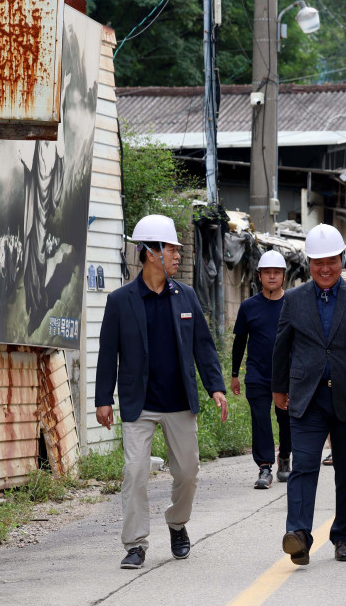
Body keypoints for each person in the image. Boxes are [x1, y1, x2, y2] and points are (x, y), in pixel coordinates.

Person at [95, 215, 228, 570]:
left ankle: (177, 523)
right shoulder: (121, 301)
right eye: (171, 249)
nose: (177, 256)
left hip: (179, 402)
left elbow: (203, 346)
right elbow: (108, 353)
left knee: (188, 472)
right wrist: (103, 399)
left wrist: (216, 387)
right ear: (151, 252)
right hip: (140, 404)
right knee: (135, 472)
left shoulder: (185, 295)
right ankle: (135, 544)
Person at [271, 225, 346, 565]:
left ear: (342, 259)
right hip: (307, 398)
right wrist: (278, 389)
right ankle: (299, 535)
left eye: (331, 261)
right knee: (303, 466)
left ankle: (343, 537)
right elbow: (282, 347)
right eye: (318, 262)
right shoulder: (293, 299)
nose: (325, 268)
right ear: (308, 263)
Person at [231, 250, 291, 489]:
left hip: (286, 374)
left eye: (277, 272)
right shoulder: (248, 307)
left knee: (286, 419)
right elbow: (239, 342)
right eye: (268, 272)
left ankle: (284, 457)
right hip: (256, 374)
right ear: (259, 276)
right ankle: (264, 466)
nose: (272, 277)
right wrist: (235, 374)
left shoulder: (293, 303)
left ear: (284, 276)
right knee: (260, 419)